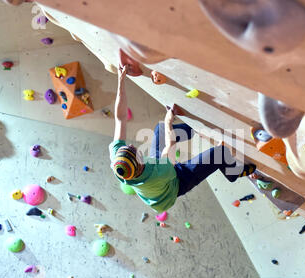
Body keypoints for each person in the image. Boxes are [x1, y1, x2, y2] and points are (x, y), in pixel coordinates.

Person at [109, 65, 256, 212]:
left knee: (159, 130)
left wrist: (120, 81)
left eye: (128, 147)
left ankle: (196, 129)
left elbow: (120, 118)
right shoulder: (159, 174)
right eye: (134, 151)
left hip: (152, 170)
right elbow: (170, 144)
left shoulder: (119, 162)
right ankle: (233, 173)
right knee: (219, 153)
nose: (133, 146)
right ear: (140, 162)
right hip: (176, 184)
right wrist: (169, 121)